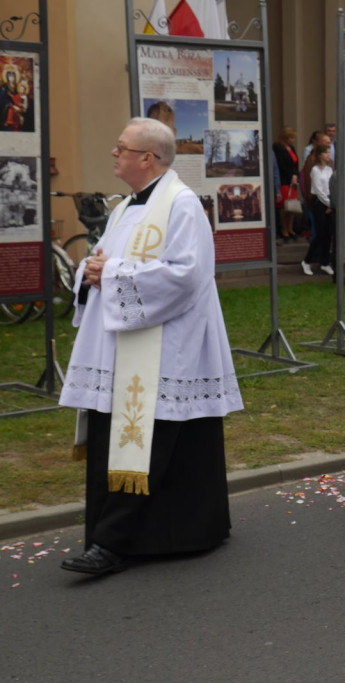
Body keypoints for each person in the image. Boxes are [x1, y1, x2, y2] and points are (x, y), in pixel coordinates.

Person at [58, 117, 243, 576]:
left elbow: (186, 276)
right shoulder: (125, 208)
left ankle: (114, 543)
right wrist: (93, 272)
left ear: (148, 158)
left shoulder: (180, 206)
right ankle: (166, 530)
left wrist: (112, 274)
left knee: (152, 441)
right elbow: (102, 261)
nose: (114, 154)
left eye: (122, 148)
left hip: (165, 350)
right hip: (123, 345)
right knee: (138, 440)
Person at [300, 144, 335, 277]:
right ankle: (307, 261)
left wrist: (331, 204)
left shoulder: (329, 169)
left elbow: (330, 187)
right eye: (326, 153)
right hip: (319, 203)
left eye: (329, 153)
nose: (328, 155)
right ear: (320, 155)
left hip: (329, 203)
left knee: (328, 234)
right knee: (320, 234)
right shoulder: (315, 170)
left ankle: (325, 262)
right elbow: (319, 190)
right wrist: (328, 203)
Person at [273, 126, 300, 240]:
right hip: (284, 181)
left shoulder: (292, 148)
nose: (293, 140)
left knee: (292, 207)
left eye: (293, 138)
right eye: (290, 138)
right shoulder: (278, 148)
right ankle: (284, 229)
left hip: (292, 182)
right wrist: (290, 177)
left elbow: (296, 164)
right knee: (285, 206)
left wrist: (296, 176)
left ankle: (290, 228)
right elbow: (281, 166)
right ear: (285, 137)